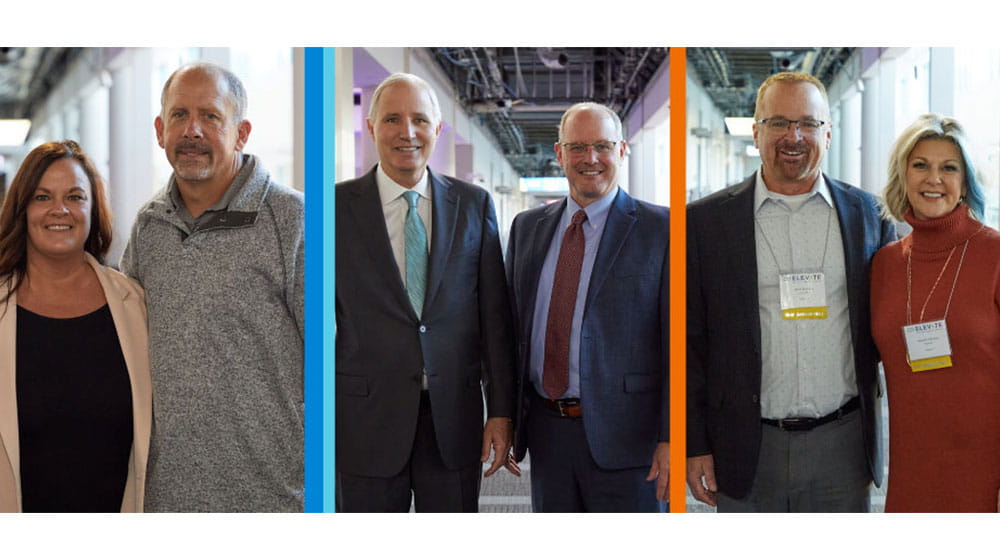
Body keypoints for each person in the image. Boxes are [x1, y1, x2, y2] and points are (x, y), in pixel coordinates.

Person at [686, 72, 895, 512]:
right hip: (746, 444)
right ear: (756, 131)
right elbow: (691, 343)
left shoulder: (870, 216)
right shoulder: (704, 224)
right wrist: (694, 442)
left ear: (829, 133)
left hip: (842, 445)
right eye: (778, 122)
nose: (793, 136)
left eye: (808, 123)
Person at [120, 63, 304, 512]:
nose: (192, 131)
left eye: (211, 116)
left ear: (241, 132)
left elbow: (335, 354)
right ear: (160, 130)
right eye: (179, 116)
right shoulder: (150, 225)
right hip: (168, 494)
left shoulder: (292, 218)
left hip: (273, 494)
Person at [335, 72, 515, 512]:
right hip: (364, 422)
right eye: (393, 119)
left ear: (438, 130)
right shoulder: (333, 209)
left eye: (419, 120)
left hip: (452, 422)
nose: (407, 132)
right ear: (372, 128)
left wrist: (502, 411)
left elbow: (494, 319)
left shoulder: (474, 205)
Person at [505, 102, 669, 512]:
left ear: (622, 151)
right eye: (577, 147)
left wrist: (674, 435)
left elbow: (680, 344)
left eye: (602, 146)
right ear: (559, 154)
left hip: (631, 441)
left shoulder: (662, 230)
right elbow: (511, 332)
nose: (590, 159)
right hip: (548, 433)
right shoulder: (528, 229)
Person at [0, 140, 151, 512]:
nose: (59, 210)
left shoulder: (136, 305)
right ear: (22, 209)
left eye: (75, 196)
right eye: (41, 197)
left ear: (92, 208)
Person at [871, 114, 1000, 512]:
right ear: (903, 175)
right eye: (921, 165)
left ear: (966, 182)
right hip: (911, 465)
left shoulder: (994, 254)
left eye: (949, 168)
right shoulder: (885, 264)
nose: (934, 179)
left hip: (984, 467)